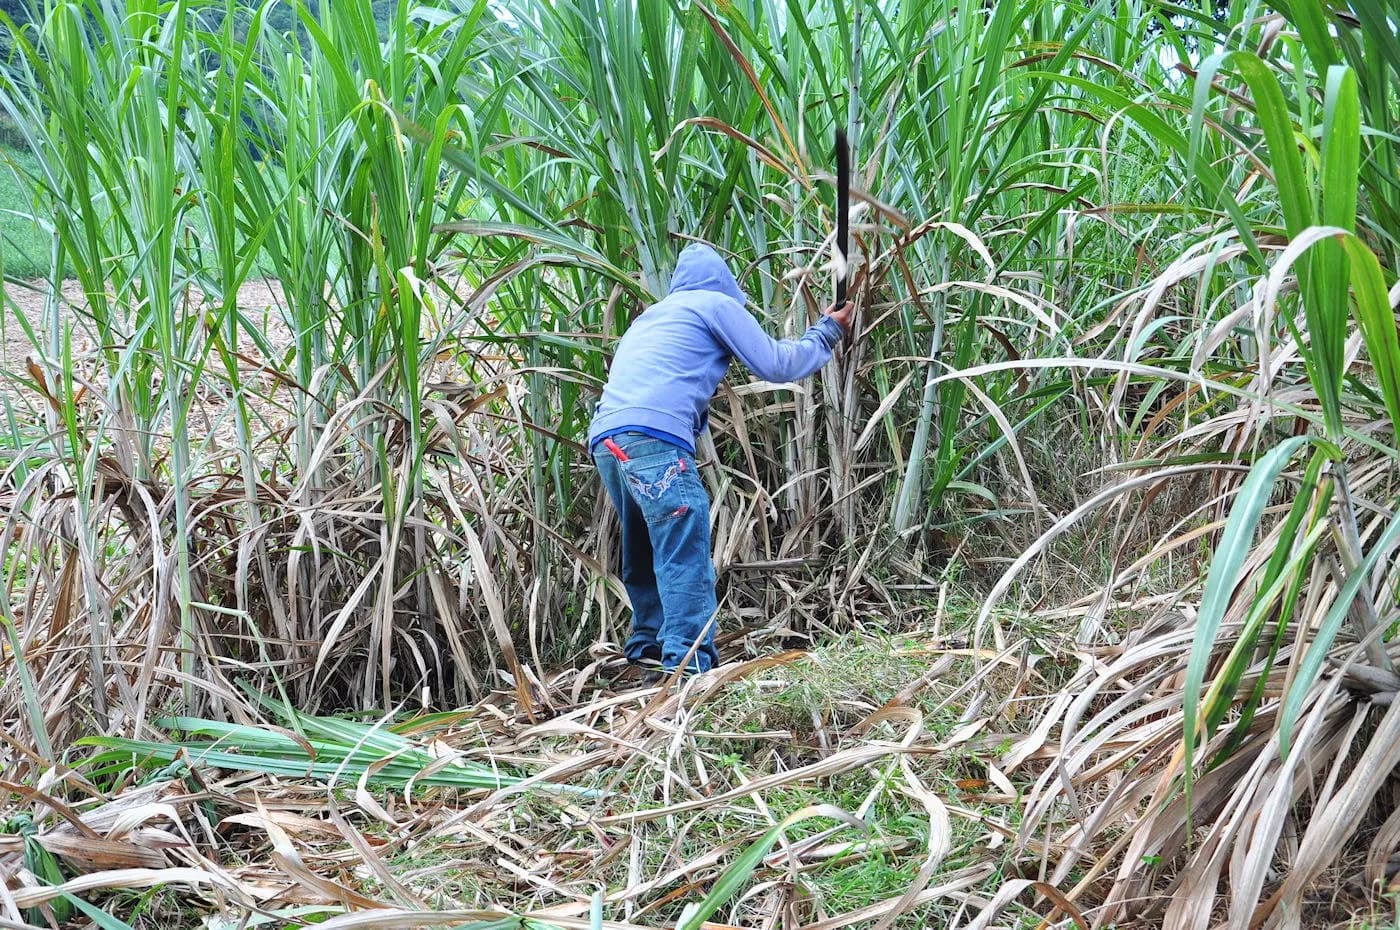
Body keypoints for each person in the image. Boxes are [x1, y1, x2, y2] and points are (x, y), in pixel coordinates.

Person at [589, 242, 854, 679]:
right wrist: (826, 332)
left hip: (608, 441)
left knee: (644, 547)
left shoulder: (650, 318)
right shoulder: (714, 304)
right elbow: (777, 363)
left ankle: (647, 653)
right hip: (655, 440)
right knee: (682, 550)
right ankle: (687, 668)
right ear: (726, 286)